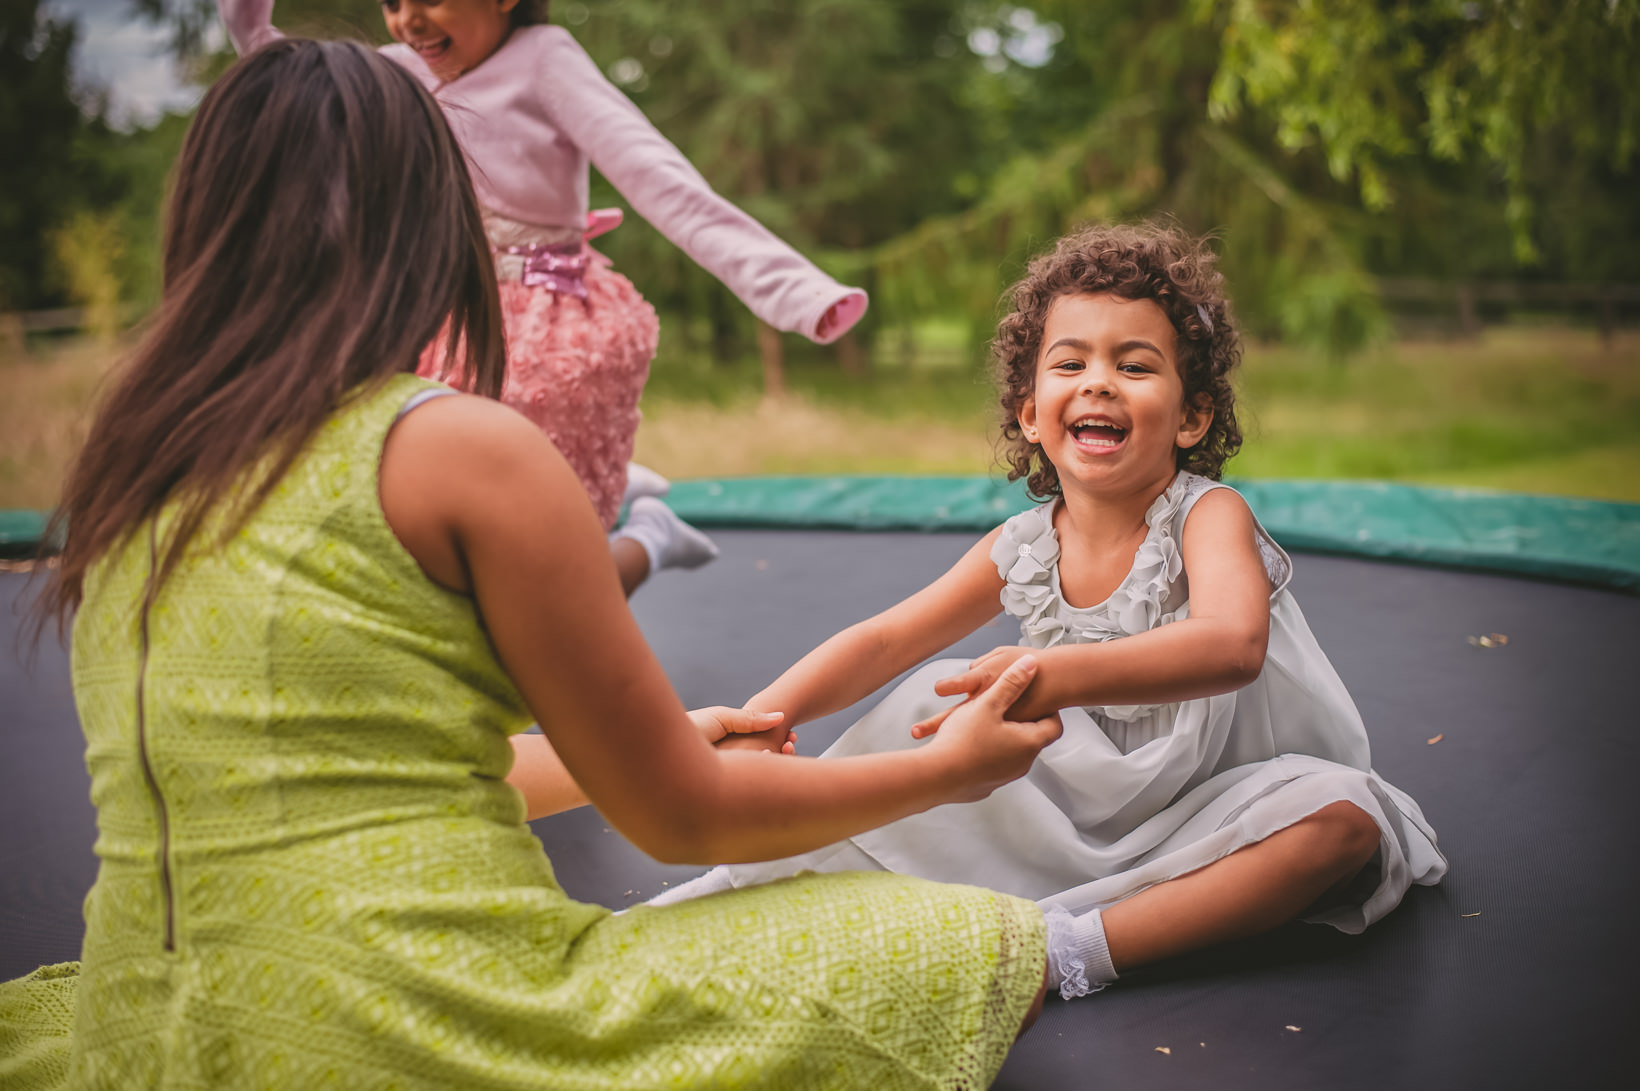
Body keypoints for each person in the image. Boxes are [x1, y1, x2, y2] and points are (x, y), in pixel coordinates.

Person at [0, 41, 1060, 1089]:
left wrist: (654, 738)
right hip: (401, 1015)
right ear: (431, 219)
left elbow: (359, 761)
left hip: (145, 1023)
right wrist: (945, 770)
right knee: (951, 940)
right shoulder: (456, 447)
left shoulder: (136, 460)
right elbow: (681, 817)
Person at [656, 222, 1449, 999]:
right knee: (926, 695)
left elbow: (1232, 645)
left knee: (1345, 822)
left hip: (1216, 798)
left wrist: (1049, 671)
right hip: (1072, 798)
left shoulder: (1208, 515)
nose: (1099, 381)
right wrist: (758, 718)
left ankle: (1069, 949)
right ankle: (758, 870)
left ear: (1191, 417)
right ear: (1031, 413)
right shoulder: (1024, 545)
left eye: (1134, 366)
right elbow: (885, 638)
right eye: (1070, 362)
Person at [216, 0, 870, 596]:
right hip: (427, 317)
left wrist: (793, 290)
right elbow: (287, 75)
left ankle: (645, 535)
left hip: (540, 331)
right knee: (449, 559)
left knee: (536, 578)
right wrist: (246, 19)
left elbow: (656, 175)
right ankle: (625, 510)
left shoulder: (544, 59)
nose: (409, 21)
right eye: (391, 3)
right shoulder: (392, 74)